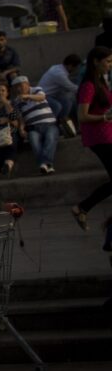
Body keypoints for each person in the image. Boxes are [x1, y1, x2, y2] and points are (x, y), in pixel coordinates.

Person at [73, 46, 112, 235]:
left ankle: (83, 208)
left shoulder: (101, 82)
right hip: (100, 138)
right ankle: (83, 207)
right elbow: (82, 116)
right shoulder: (88, 85)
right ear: (96, 61)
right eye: (108, 61)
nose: (110, 65)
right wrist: (105, 117)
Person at [11, 75, 59, 174]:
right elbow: (21, 118)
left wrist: (27, 96)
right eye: (17, 87)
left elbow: (42, 97)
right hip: (33, 127)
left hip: (49, 124)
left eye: (21, 85)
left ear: (27, 85)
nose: (19, 89)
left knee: (50, 139)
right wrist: (21, 129)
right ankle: (48, 166)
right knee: (34, 143)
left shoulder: (36, 90)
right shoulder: (17, 101)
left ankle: (44, 164)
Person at [38, 53, 81, 130]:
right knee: (57, 106)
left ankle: (63, 123)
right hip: (43, 95)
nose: (75, 70)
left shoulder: (57, 67)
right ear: (70, 66)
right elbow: (73, 88)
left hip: (53, 94)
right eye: (76, 68)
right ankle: (50, 126)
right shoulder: (59, 74)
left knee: (68, 102)